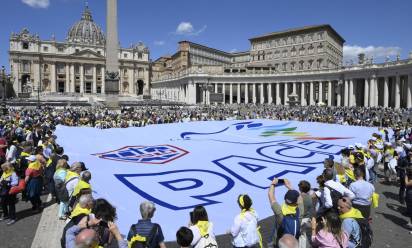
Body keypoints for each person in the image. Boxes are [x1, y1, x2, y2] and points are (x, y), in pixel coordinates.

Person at [268, 178, 303, 245]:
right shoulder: (300, 212)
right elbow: (300, 198)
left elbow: (271, 195)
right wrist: (289, 186)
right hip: (294, 243)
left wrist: (273, 184)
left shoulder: (280, 213)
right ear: (296, 202)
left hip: (280, 243)